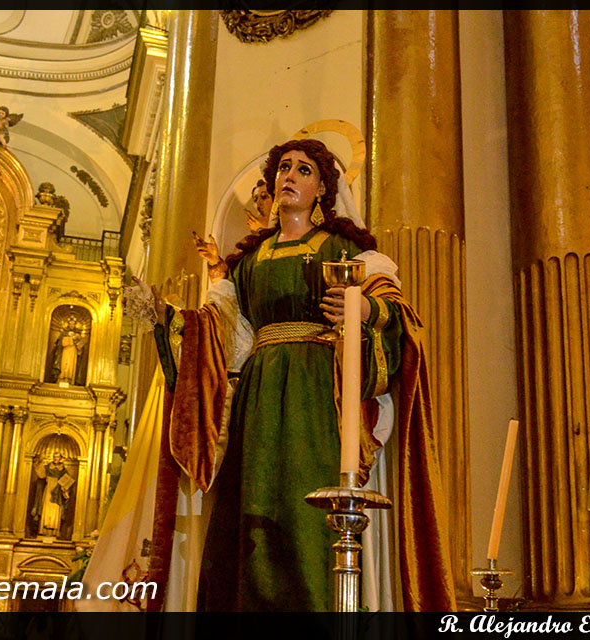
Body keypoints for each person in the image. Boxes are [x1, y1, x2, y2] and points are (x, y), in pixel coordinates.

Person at [146, 138, 454, 612]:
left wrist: (364, 309)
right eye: (283, 168)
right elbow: (220, 329)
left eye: (303, 169)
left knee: (305, 510)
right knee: (252, 512)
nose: (289, 176)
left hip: (316, 398)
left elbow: (399, 317)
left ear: (323, 189)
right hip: (258, 399)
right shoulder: (248, 261)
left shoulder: (346, 251)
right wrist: (168, 320)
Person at [31, 452, 75, 537]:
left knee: (56, 510)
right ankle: (43, 530)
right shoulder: (48, 467)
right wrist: (40, 461)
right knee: (46, 509)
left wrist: (65, 490)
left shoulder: (63, 470)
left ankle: (54, 530)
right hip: (48, 490)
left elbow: (67, 482)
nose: (55, 458)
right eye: (54, 457)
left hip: (58, 493)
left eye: (57, 457)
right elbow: (41, 474)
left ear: (60, 458)